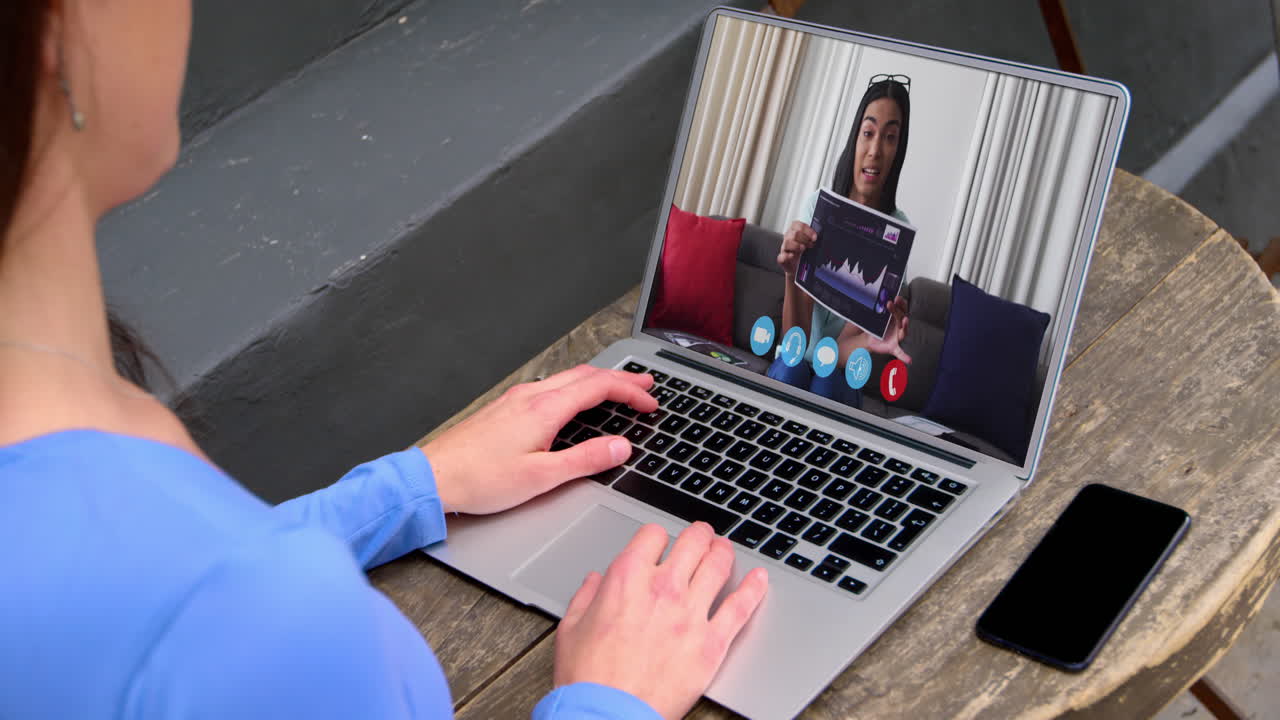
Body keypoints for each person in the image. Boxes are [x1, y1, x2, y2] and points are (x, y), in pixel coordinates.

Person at [0, 2, 768, 719]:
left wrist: (407, 489)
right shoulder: (261, 626)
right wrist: (611, 700)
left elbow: (141, 598)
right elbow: (201, 618)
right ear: (56, 35)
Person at [768, 76, 914, 408]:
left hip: (837, 373)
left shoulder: (898, 234)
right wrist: (792, 275)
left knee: (827, 379)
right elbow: (797, 341)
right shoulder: (816, 208)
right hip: (798, 363)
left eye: (890, 138)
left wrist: (869, 339)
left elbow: (840, 354)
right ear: (856, 137)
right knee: (792, 370)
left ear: (898, 151)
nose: (875, 150)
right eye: (868, 133)